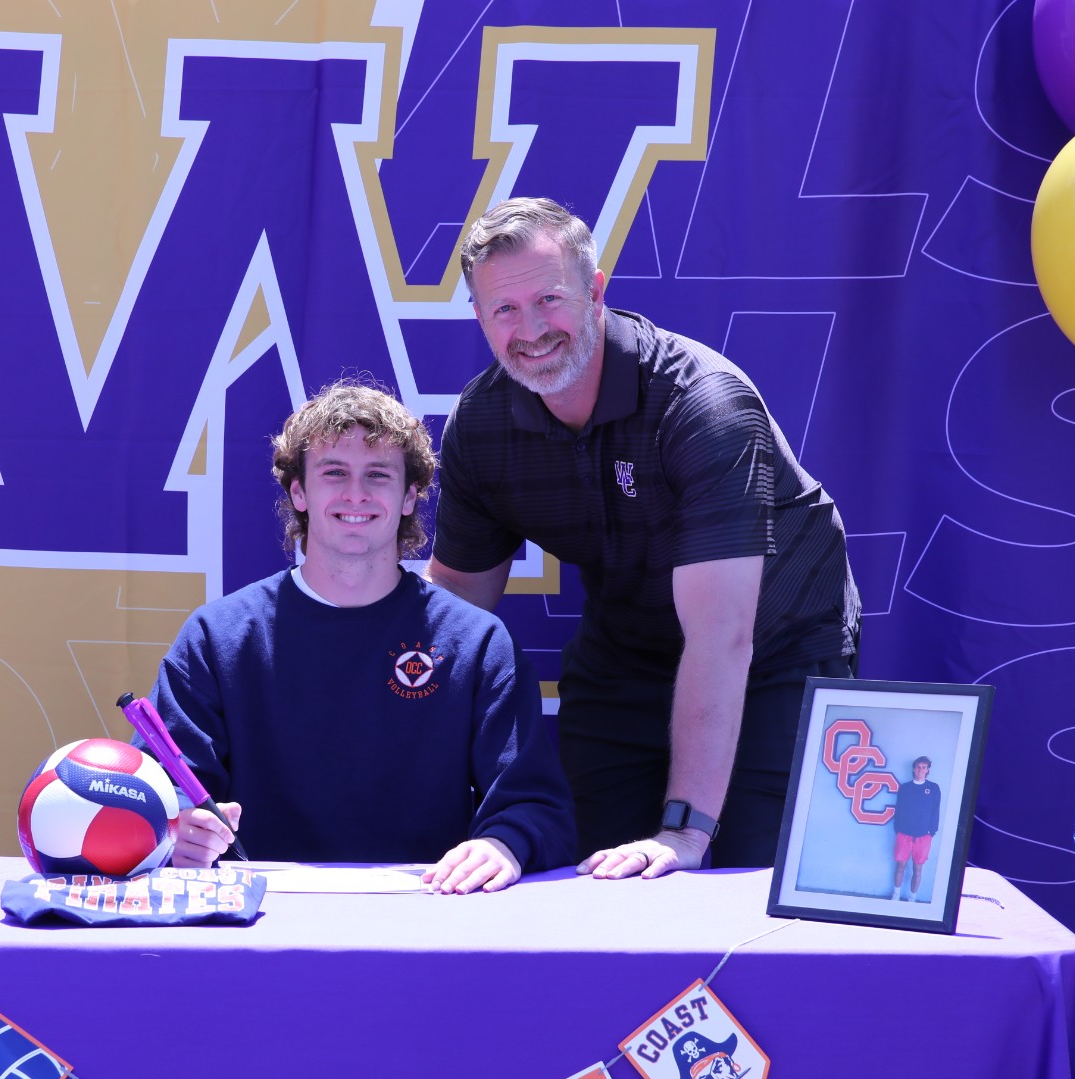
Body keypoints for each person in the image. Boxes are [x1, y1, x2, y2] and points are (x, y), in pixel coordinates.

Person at [425, 197, 860, 878]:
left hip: (774, 654)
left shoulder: (705, 406)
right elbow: (456, 607)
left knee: (749, 884)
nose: (531, 329)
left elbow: (722, 638)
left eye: (549, 299)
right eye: (505, 309)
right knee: (587, 878)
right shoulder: (481, 426)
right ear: (479, 317)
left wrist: (683, 833)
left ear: (596, 291)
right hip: (627, 656)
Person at [149, 382, 576, 893]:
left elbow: (537, 806)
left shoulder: (476, 642)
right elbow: (159, 793)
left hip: (430, 911)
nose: (356, 494)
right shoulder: (217, 637)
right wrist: (176, 830)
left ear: (409, 496)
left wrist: (504, 843)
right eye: (334, 473)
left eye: (378, 474)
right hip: (261, 915)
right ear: (298, 492)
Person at [892, 756, 941, 901]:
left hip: (923, 836)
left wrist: (932, 832)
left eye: (923, 767)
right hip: (904, 834)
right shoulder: (905, 787)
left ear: (928, 770)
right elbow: (899, 808)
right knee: (900, 865)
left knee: (917, 869)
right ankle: (895, 896)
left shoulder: (933, 788)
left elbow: (935, 810)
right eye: (918, 767)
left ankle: (912, 898)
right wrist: (898, 828)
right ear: (914, 769)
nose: (920, 770)